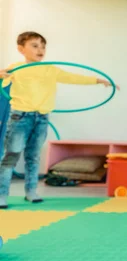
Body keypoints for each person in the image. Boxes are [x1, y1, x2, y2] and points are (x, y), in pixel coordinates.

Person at [0, 31, 117, 209]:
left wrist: (97, 80)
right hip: (20, 117)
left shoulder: (50, 69)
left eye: (43, 46)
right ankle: (2, 195)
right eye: (35, 45)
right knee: (11, 156)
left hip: (41, 118)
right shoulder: (15, 69)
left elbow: (73, 78)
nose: (41, 49)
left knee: (33, 157)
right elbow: (3, 83)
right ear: (21, 49)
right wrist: (2, 75)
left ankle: (31, 192)